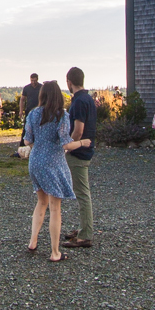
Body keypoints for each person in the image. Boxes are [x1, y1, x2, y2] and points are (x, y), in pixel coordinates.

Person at [23, 80, 93, 262]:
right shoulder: (61, 115)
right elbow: (66, 143)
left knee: (41, 202)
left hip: (35, 162)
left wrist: (40, 144)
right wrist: (82, 143)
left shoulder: (33, 114)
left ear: (42, 95)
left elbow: (27, 140)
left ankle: (33, 242)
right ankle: (55, 253)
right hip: (53, 163)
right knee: (55, 208)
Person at [63, 66, 97, 250]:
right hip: (86, 150)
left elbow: (78, 131)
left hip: (79, 153)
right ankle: (84, 227)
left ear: (69, 81)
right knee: (82, 192)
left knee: (83, 194)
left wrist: (67, 147)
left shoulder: (78, 102)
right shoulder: (88, 98)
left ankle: (85, 235)